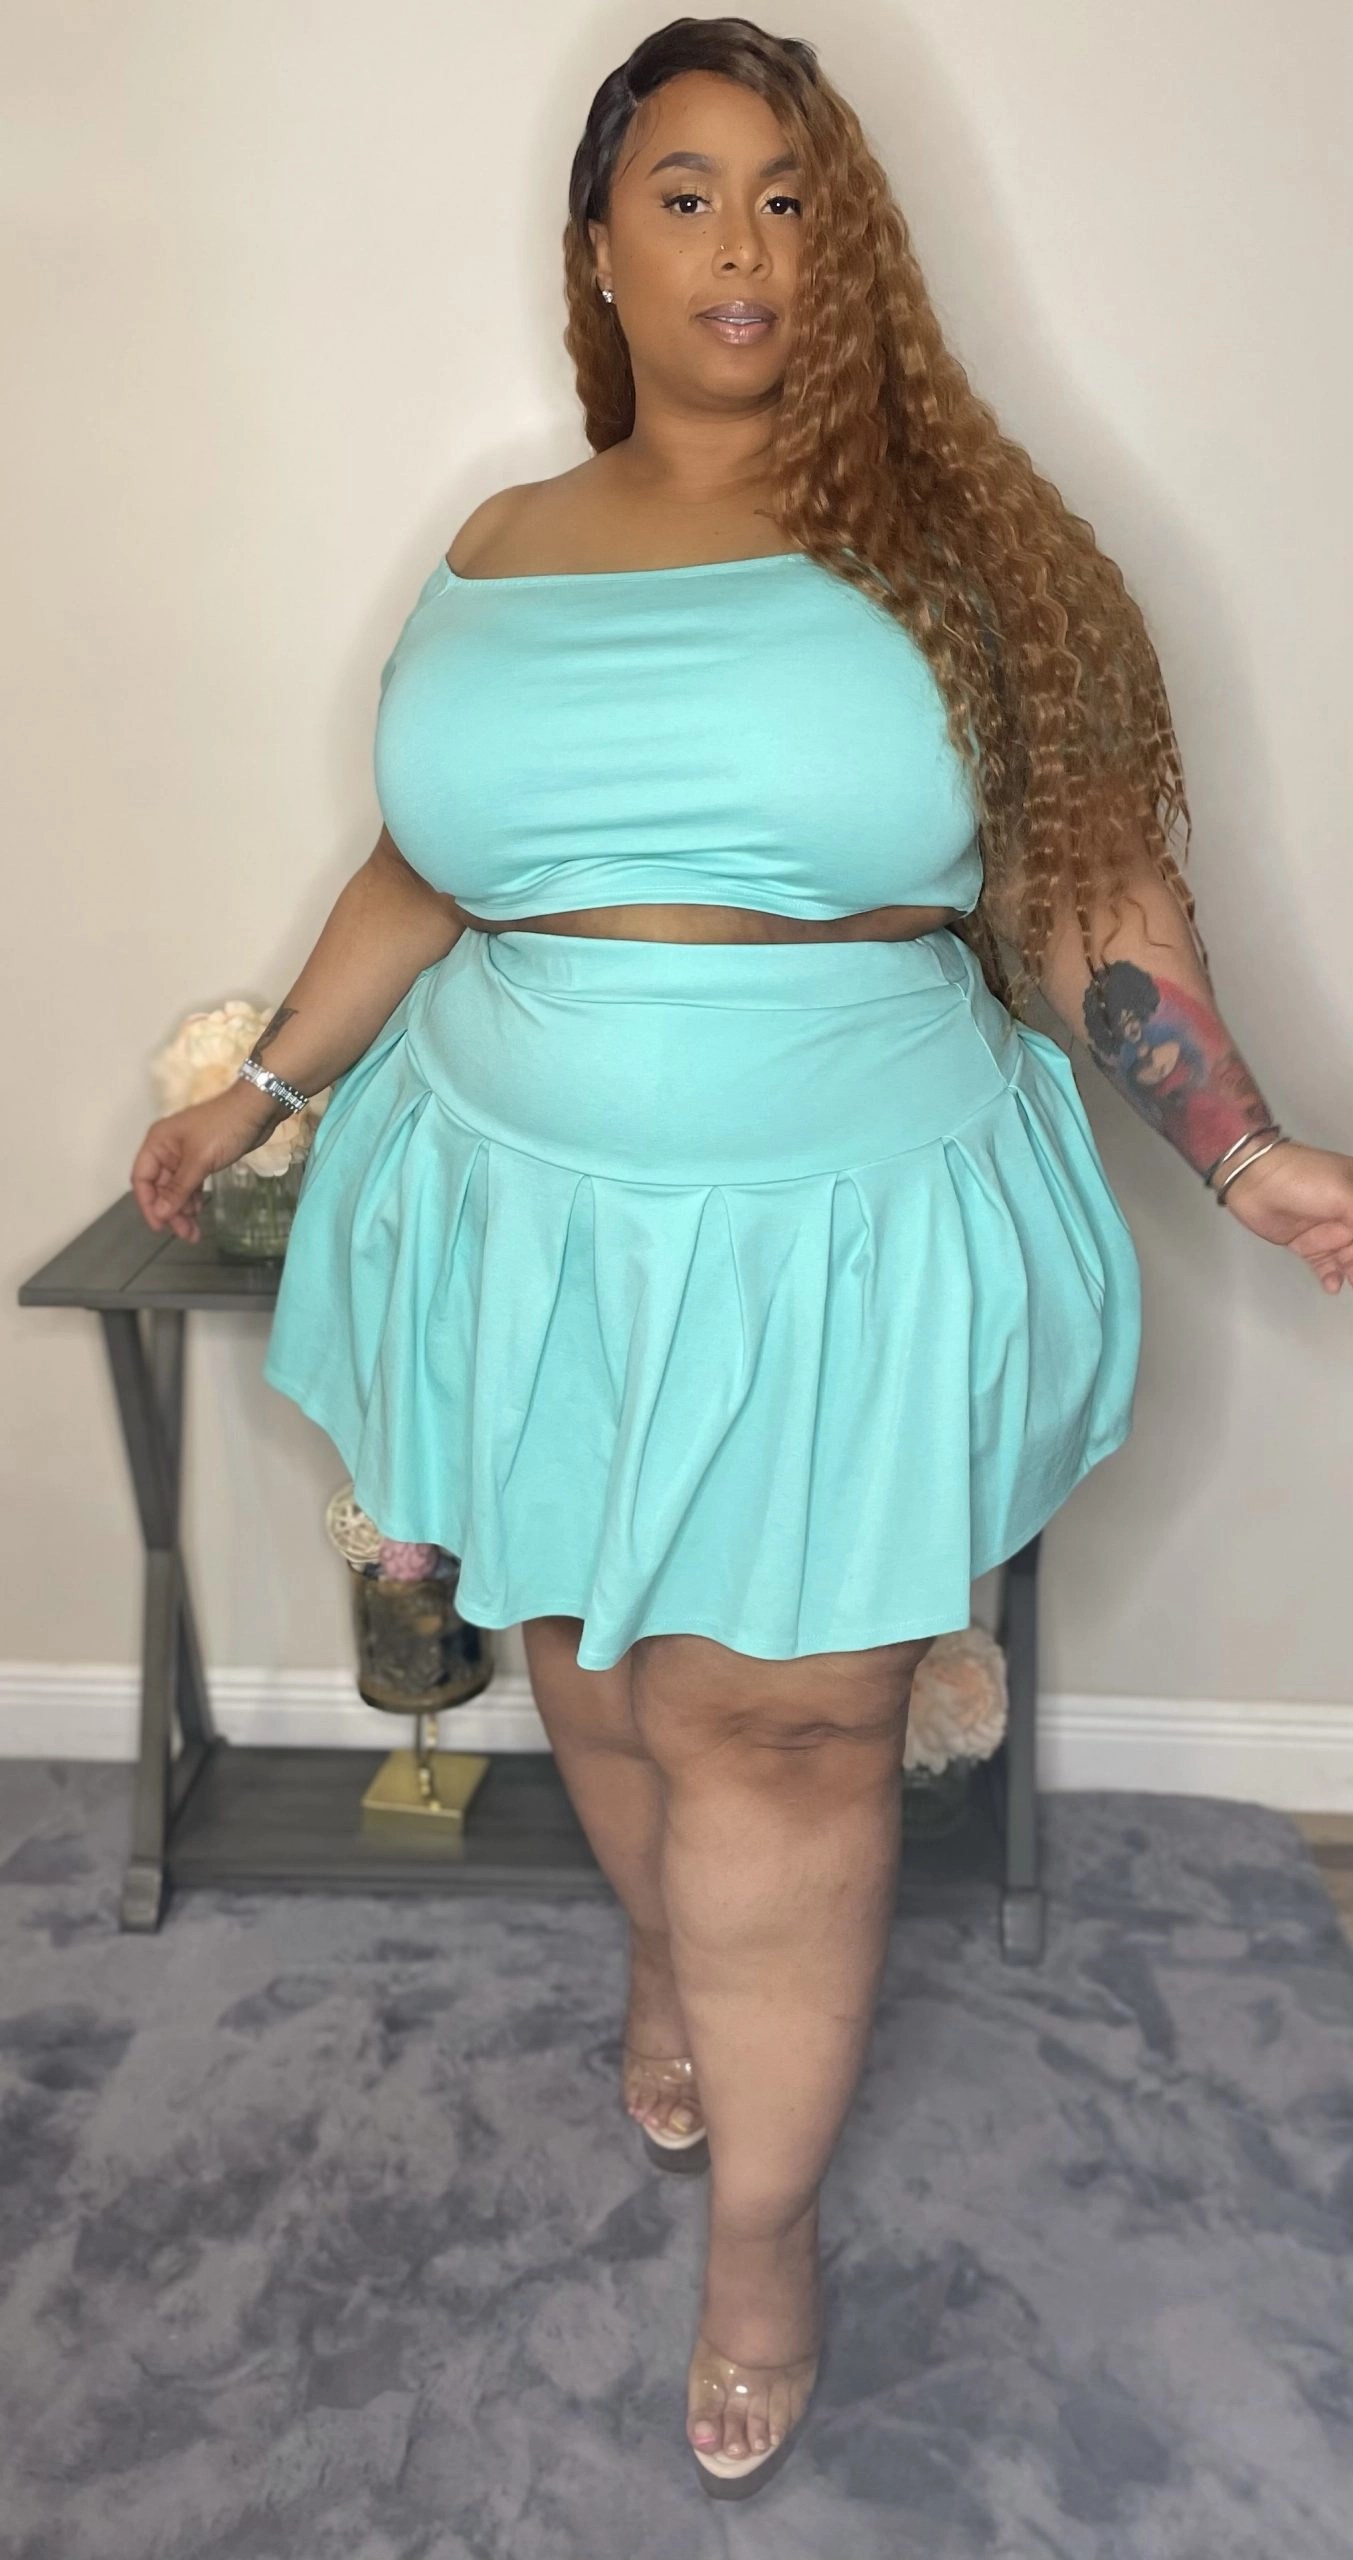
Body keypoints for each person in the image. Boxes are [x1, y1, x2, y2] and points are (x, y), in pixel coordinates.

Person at [129, 17, 1353, 2501]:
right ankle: (666, 1950)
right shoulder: (498, 545)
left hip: (836, 1234)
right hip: (519, 1212)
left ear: (852, 245)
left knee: (780, 1729)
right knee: (586, 1658)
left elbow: (1091, 893)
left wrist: (1234, 1151)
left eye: (791, 197)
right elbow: (431, 860)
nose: (739, 243)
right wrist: (263, 1085)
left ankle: (763, 2241)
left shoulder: (964, 548)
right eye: (681, 192)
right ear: (596, 243)